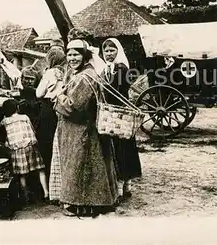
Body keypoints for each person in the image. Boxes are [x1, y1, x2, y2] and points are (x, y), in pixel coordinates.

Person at [54, 39, 119, 217]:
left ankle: (81, 204)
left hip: (82, 131)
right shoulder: (81, 73)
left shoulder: (85, 77)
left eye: (76, 54)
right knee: (86, 167)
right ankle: (86, 203)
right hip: (81, 130)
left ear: (84, 56)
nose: (72, 58)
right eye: (69, 54)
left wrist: (59, 98)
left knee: (80, 167)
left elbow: (75, 107)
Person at [100, 38, 142, 199]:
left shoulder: (121, 68)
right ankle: (121, 185)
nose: (109, 54)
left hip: (121, 113)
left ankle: (125, 185)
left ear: (118, 51)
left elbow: (115, 89)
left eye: (112, 51)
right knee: (116, 148)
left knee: (123, 147)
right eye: (106, 51)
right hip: (111, 113)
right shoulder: (106, 69)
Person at [0, 99, 49, 203]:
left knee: (22, 175)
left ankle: (25, 196)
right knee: (40, 169)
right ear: (17, 108)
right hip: (30, 146)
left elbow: (4, 136)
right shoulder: (25, 117)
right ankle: (46, 193)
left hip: (17, 150)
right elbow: (33, 130)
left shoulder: (4, 121)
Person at [35, 49, 66, 188]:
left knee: (46, 145)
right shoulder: (67, 71)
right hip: (62, 108)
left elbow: (38, 93)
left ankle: (48, 185)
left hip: (48, 109)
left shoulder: (50, 72)